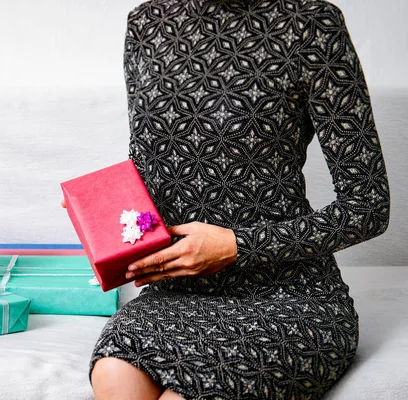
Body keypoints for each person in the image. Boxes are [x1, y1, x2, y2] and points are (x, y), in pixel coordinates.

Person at [63, 0, 391, 398]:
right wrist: (102, 211)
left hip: (290, 295)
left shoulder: (311, 23)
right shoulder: (146, 24)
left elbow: (368, 206)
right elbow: (154, 161)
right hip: (177, 293)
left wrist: (237, 246)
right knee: (114, 373)